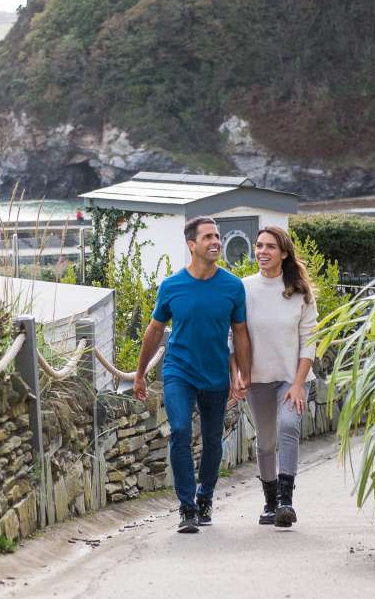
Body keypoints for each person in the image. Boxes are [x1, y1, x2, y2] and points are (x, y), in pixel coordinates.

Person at [134, 216, 251, 533]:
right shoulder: (172, 287)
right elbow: (154, 330)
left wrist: (243, 374)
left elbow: (240, 332)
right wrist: (140, 373)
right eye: (208, 237)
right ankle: (187, 508)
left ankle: (205, 498)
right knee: (181, 431)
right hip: (178, 372)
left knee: (213, 441)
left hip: (215, 375)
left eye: (217, 236)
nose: (216, 241)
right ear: (192, 245)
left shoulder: (232, 286)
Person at [230, 226, 317, 528]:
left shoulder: (300, 293)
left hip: (289, 379)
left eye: (269, 246)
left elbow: (309, 342)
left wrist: (298, 384)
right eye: (259, 246)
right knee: (266, 441)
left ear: (283, 253)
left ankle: (286, 502)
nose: (262, 252)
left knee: (289, 426)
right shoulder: (243, 288)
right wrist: (237, 375)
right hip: (256, 379)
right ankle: (269, 503)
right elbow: (232, 336)